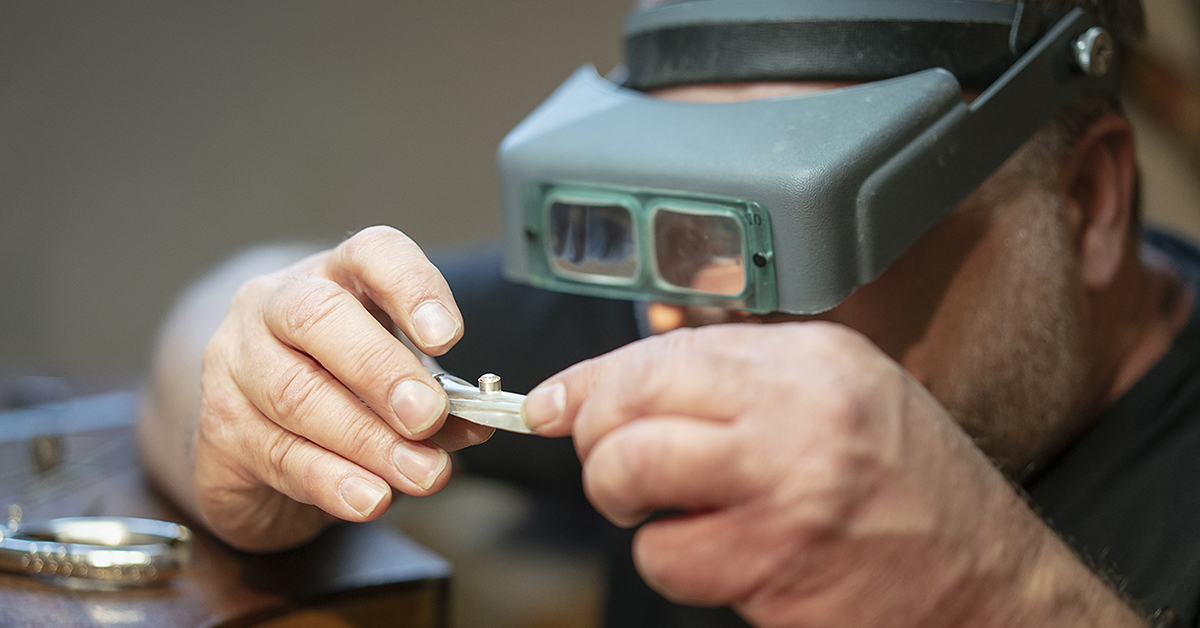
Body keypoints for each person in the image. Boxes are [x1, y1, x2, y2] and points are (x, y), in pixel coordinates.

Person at [137, 0, 1200, 626]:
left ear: (1087, 204)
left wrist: (1000, 593)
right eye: (673, 220)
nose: (669, 321)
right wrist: (254, 396)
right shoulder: (695, 299)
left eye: (799, 226)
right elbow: (227, 308)